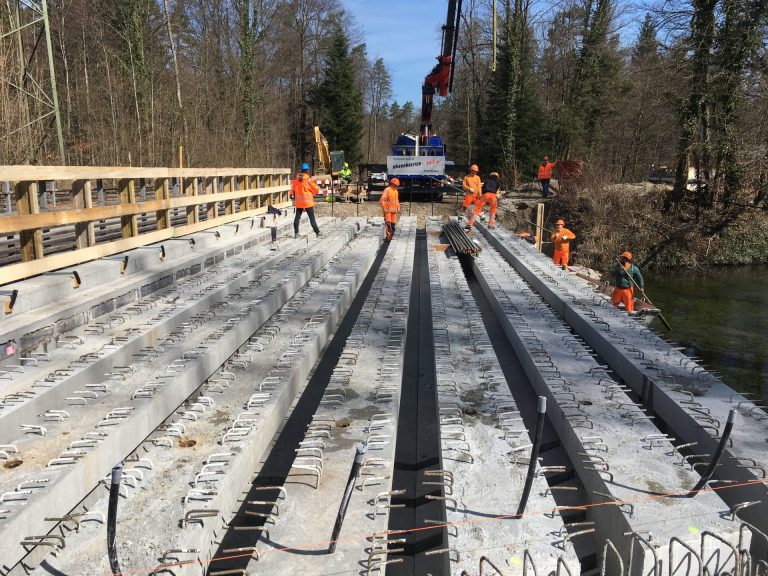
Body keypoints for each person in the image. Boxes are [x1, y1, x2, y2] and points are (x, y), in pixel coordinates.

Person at [291, 162, 320, 238]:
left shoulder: (296, 179)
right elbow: (316, 189)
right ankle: (317, 232)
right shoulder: (308, 179)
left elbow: (293, 188)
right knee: (311, 218)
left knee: (297, 217)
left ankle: (296, 233)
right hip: (308, 202)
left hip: (299, 202)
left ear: (302, 170)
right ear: (307, 170)